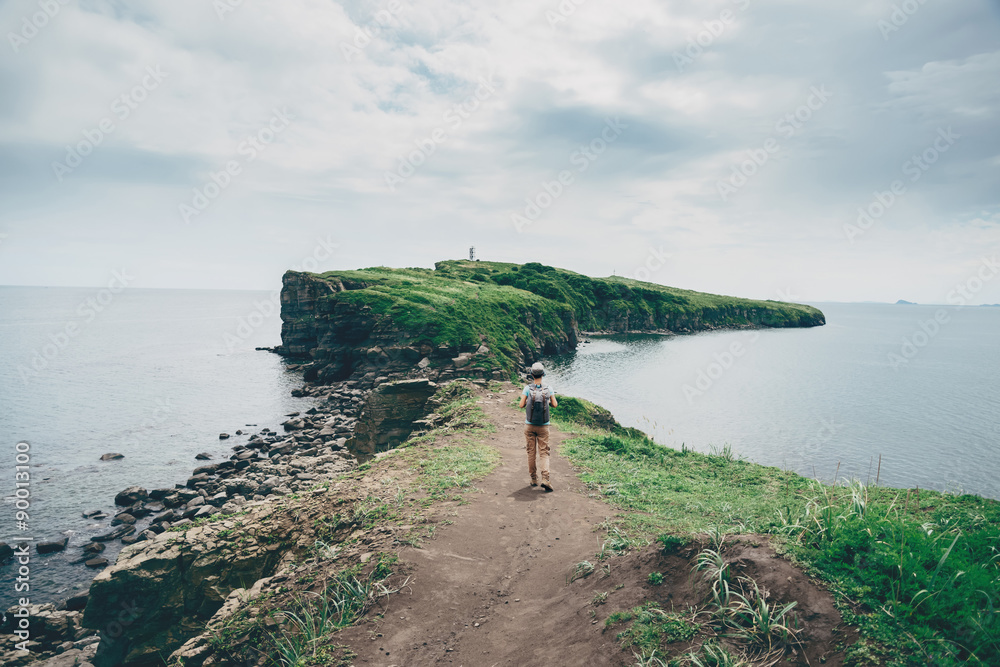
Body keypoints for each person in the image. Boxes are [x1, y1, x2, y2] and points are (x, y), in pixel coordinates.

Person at [518, 362, 558, 491]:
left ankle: (533, 479)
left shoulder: (527, 388)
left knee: (531, 453)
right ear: (543, 374)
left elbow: (521, 405)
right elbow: (555, 404)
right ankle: (545, 479)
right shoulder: (549, 388)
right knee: (544, 453)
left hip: (529, 425)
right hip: (543, 426)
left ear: (531, 375)